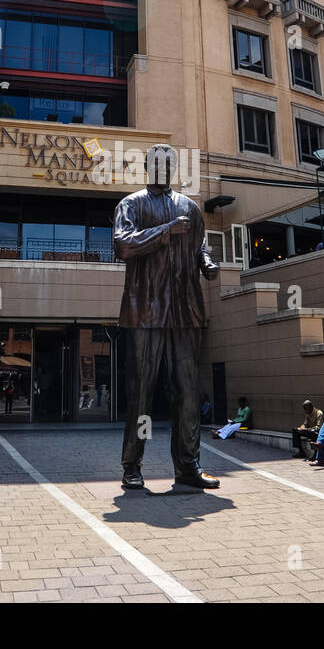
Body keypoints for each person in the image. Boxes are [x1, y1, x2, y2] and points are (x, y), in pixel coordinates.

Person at [115, 141, 221, 491]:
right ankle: (133, 466)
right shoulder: (132, 203)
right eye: (156, 163)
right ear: (148, 167)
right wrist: (164, 231)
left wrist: (205, 261)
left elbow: (200, 245)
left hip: (185, 311)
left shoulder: (189, 207)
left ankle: (188, 466)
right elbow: (123, 245)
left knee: (189, 395)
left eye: (168, 163)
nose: (162, 168)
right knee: (142, 394)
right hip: (145, 312)